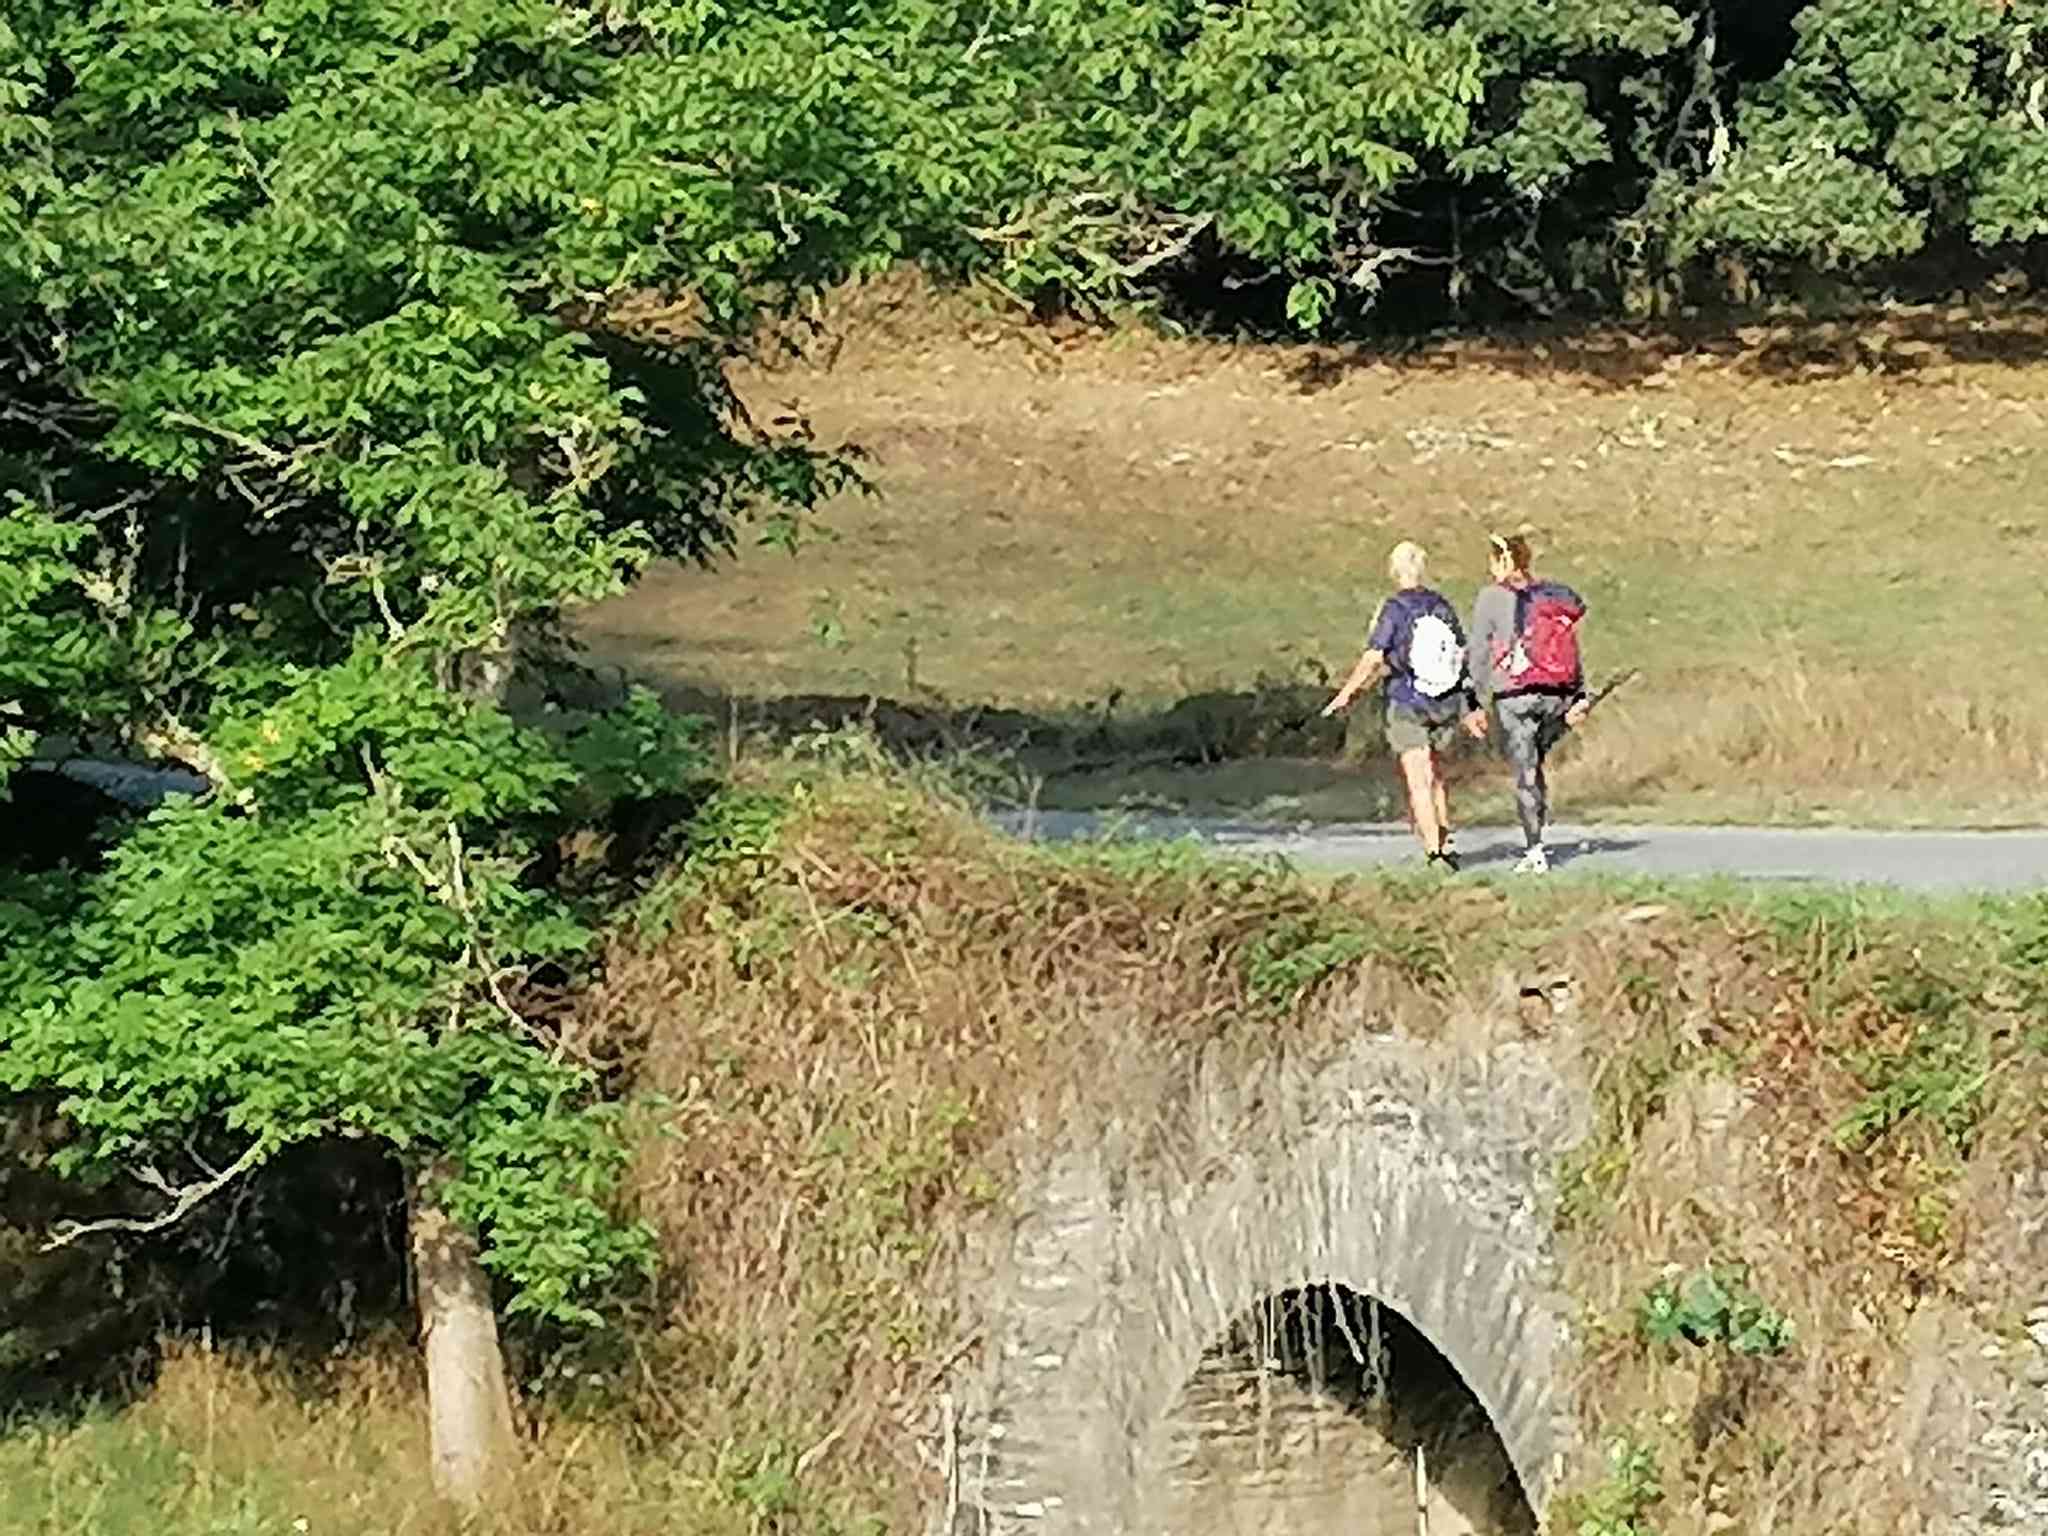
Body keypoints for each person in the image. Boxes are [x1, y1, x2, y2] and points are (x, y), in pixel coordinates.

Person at [1322, 540, 1487, 871]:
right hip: (1445, 701)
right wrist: (1471, 707)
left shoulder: (1395, 609)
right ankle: (1445, 842)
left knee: (1419, 779)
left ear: (1394, 570)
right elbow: (1461, 658)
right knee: (1436, 776)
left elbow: (1373, 658)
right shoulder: (1442, 605)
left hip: (1408, 701)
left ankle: (1434, 854)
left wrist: (1347, 693)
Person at [1468, 532, 1590, 874]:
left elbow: (1479, 652)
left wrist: (1473, 703)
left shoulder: (1491, 597)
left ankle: (1535, 849)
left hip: (1516, 695)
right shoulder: (1550, 597)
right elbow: (1569, 643)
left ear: (1500, 562)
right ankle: (1559, 728)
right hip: (1557, 693)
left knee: (1526, 770)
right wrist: (1580, 694)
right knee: (1537, 760)